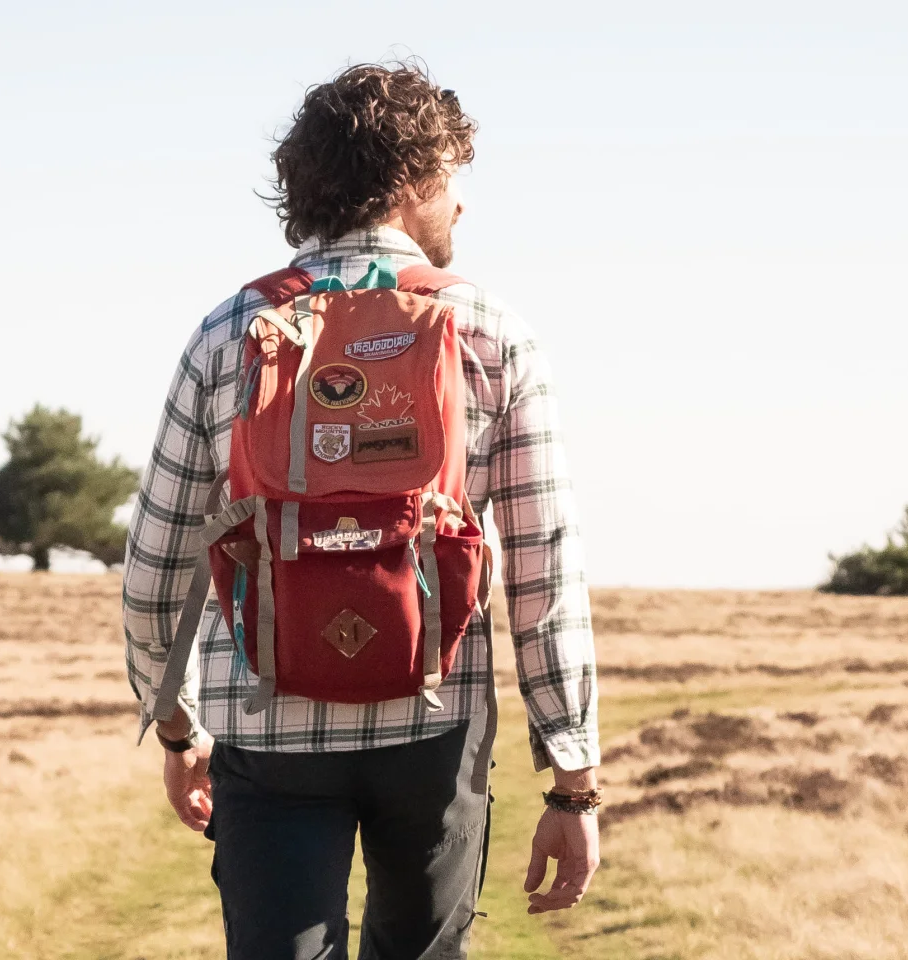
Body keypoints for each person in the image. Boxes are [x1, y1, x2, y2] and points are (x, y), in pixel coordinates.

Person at [123, 61, 599, 959]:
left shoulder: (229, 334)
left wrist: (176, 721)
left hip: (265, 719)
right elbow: (544, 571)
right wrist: (571, 779)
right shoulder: (494, 333)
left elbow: (157, 565)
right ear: (413, 182)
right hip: (437, 716)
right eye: (453, 181)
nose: (460, 209)